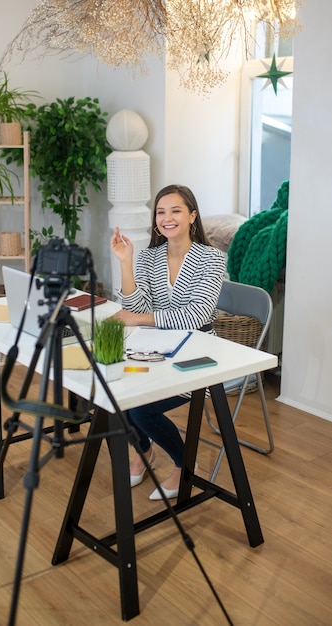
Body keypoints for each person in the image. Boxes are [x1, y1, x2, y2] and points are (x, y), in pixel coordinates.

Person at [110, 184, 226, 500]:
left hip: (199, 352)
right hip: (156, 348)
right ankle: (145, 452)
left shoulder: (212, 258)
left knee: (142, 412)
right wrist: (125, 262)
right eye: (161, 212)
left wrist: (138, 319)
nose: (167, 218)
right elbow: (135, 306)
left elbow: (196, 314)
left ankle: (185, 465)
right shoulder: (149, 257)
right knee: (114, 391)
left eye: (175, 210)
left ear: (192, 216)